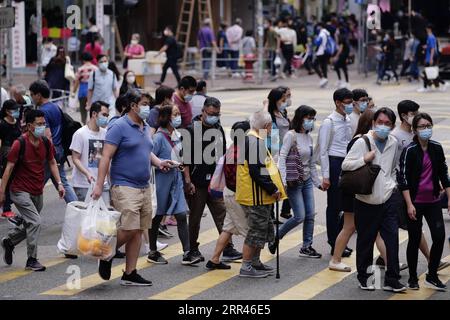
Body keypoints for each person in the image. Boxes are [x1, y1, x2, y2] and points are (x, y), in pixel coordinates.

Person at [92, 89, 172, 286]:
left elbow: (146, 151)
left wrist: (159, 162)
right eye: (143, 103)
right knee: (128, 229)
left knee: (137, 230)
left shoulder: (145, 126)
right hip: (124, 185)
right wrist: (99, 184)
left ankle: (130, 273)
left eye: (148, 104)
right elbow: (106, 156)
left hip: (144, 186)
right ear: (133, 105)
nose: (147, 108)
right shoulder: (119, 126)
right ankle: (105, 253)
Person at [342, 107, 406, 292]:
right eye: (380, 122)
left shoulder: (393, 142)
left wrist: (392, 186)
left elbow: (393, 168)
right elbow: (346, 165)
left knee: (392, 239)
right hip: (365, 200)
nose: (383, 126)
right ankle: (365, 277)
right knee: (365, 241)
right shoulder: (363, 142)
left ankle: (392, 279)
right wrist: (364, 159)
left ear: (393, 126)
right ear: (373, 123)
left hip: (387, 199)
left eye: (387, 124)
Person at [0, 110, 65, 271]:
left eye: (44, 124)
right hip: (19, 190)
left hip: (38, 190)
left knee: (31, 223)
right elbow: (8, 169)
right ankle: (32, 259)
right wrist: (2, 193)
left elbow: (51, 162)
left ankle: (9, 241)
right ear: (29, 126)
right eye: (39, 124)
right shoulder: (19, 144)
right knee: (35, 222)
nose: (42, 127)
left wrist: (60, 183)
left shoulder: (45, 142)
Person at [184, 97, 242, 263]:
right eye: (211, 114)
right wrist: (188, 181)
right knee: (195, 218)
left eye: (217, 114)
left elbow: (222, 154)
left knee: (222, 214)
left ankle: (228, 248)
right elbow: (185, 160)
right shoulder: (191, 130)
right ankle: (192, 250)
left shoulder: (217, 127)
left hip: (215, 182)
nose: (214, 117)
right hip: (197, 182)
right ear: (203, 111)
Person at [398, 113, 449, 291]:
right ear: (415, 130)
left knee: (439, 237)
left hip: (433, 201)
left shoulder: (436, 147)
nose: (426, 129)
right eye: (422, 126)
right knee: (414, 239)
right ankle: (413, 277)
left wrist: (449, 197)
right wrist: (409, 204)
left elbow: (444, 173)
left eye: (428, 125)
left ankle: (432, 275)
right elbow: (402, 179)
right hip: (415, 203)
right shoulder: (410, 151)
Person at [146, 104, 201, 266]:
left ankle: (187, 253)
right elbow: (148, 158)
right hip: (162, 181)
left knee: (182, 215)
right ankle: (153, 251)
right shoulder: (158, 138)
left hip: (176, 181)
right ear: (166, 117)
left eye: (178, 114)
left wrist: (187, 180)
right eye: (175, 114)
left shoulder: (177, 135)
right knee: (157, 217)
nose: (179, 117)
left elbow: (183, 160)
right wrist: (161, 165)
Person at [235, 110, 287, 278]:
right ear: (266, 126)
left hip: (256, 194)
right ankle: (246, 266)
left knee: (262, 228)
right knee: (256, 230)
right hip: (255, 195)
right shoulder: (255, 142)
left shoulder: (253, 139)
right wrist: (273, 189)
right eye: (271, 126)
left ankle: (255, 262)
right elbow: (256, 172)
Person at [206, 121, 258, 270]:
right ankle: (249, 265)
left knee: (228, 228)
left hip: (229, 194)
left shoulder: (232, 149)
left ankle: (214, 259)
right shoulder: (240, 153)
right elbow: (241, 180)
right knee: (249, 231)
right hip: (237, 196)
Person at [274, 105, 323, 258]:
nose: (311, 121)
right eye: (308, 118)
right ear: (300, 118)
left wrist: (317, 183)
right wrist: (283, 181)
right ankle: (277, 236)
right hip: (293, 181)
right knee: (299, 216)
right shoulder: (291, 135)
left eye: (313, 118)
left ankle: (306, 247)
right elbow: (282, 157)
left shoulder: (308, 137)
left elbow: (310, 163)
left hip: (307, 180)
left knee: (310, 215)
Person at [316, 88, 353, 257]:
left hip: (347, 164)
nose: (350, 105)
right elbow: (323, 151)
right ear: (338, 103)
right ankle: (333, 242)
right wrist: (326, 175)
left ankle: (340, 241)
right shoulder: (329, 122)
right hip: (334, 163)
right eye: (347, 102)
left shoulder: (348, 119)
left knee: (345, 206)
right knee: (334, 206)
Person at [29, 80, 78, 204]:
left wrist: (46, 155)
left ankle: (30, 215)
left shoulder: (43, 111)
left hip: (50, 152)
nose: (31, 97)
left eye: (32, 94)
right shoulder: (55, 107)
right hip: (59, 150)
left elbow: (48, 135)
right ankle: (78, 209)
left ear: (38, 95)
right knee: (61, 182)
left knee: (35, 184)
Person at [0, 100, 22, 218]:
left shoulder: (17, 121)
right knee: (7, 181)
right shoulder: (2, 124)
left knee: (15, 181)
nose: (17, 112)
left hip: (18, 154)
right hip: (7, 155)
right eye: (14, 109)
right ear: (7, 111)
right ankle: (6, 208)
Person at [418, 24, 447, 92]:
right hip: (429, 57)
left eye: (427, 28)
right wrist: (426, 46)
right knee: (429, 72)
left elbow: (433, 49)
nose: (426, 30)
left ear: (429, 29)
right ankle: (429, 86)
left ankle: (426, 87)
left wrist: (431, 58)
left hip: (431, 57)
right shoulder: (430, 37)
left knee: (427, 72)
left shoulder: (431, 37)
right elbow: (430, 46)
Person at [72, 52, 97, 125]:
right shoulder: (95, 68)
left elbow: (76, 81)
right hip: (93, 90)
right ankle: (93, 123)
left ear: (83, 60)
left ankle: (84, 123)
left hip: (82, 90)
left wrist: (74, 91)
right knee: (93, 108)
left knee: (83, 109)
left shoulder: (80, 69)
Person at [313, 23, 331, 88]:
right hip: (326, 52)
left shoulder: (321, 34)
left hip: (321, 52)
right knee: (324, 66)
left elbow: (317, 43)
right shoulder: (327, 33)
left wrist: (315, 39)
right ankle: (325, 80)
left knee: (314, 65)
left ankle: (323, 79)